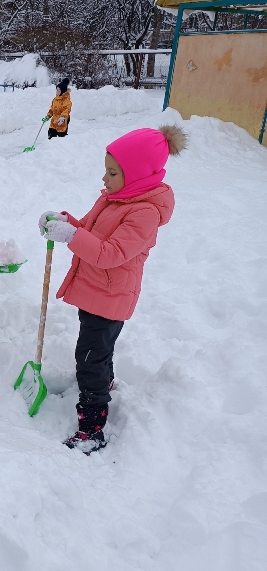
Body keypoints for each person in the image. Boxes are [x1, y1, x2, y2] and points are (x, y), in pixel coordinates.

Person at [39, 125, 187, 454]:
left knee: (89, 358)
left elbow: (111, 254)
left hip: (109, 299)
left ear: (135, 176)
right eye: (106, 170)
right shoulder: (115, 198)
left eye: (112, 172)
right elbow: (92, 234)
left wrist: (70, 236)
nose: (104, 179)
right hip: (95, 292)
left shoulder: (144, 212)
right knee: (98, 351)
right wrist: (66, 222)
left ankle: (92, 428)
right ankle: (104, 382)